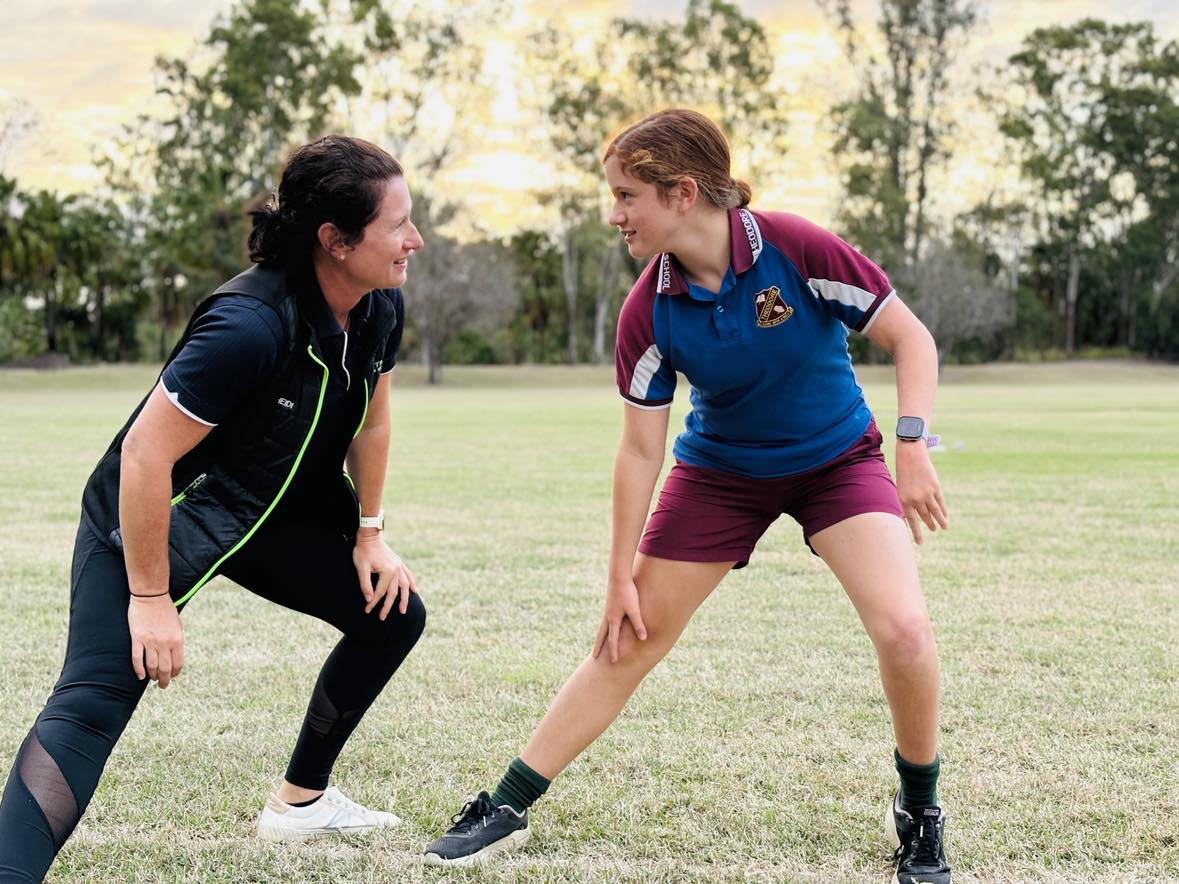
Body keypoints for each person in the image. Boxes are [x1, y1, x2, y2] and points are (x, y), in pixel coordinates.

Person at [424, 109, 952, 884]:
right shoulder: (648, 308)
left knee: (904, 629)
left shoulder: (794, 246)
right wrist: (615, 577)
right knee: (629, 638)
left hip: (835, 460)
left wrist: (911, 444)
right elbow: (641, 448)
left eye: (626, 195)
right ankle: (504, 805)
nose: (614, 214)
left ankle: (919, 809)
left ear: (680, 192)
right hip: (720, 474)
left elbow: (911, 338)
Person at [0, 135, 427, 882]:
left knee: (390, 613)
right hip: (165, 511)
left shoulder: (376, 307)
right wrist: (149, 596)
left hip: (268, 511)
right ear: (334, 240)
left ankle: (299, 804)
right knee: (96, 697)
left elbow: (374, 419)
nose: (413, 241)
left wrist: (369, 533)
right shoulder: (248, 325)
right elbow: (144, 457)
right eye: (398, 225)